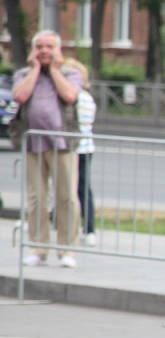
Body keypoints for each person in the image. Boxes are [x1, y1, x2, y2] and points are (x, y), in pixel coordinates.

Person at [12, 30, 82, 268]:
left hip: (63, 144)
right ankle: (38, 248)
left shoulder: (70, 74)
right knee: (37, 198)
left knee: (67, 198)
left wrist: (53, 70)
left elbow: (70, 96)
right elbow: (20, 96)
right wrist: (34, 70)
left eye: (49, 47)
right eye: (39, 46)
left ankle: (67, 250)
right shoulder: (23, 74)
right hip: (33, 144)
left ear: (58, 50)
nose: (44, 51)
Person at [64, 58, 97, 247]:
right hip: (81, 147)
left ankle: (88, 228)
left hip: (78, 148)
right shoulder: (85, 96)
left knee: (79, 188)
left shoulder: (79, 97)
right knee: (75, 188)